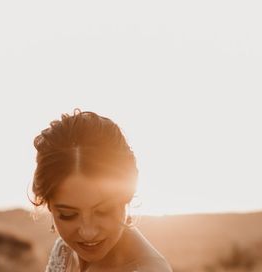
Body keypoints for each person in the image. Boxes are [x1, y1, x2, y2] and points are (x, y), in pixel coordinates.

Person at [32, 109, 172, 272]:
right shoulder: (64, 250)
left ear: (127, 194)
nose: (88, 233)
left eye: (103, 211)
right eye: (68, 215)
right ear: (48, 204)